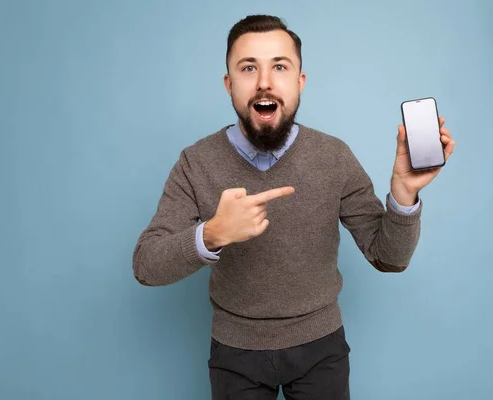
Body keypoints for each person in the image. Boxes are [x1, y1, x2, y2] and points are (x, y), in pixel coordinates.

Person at [132, 14, 455, 400]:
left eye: (280, 67)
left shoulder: (334, 157)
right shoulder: (195, 162)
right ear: (229, 84)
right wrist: (214, 233)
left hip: (322, 347)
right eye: (248, 67)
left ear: (300, 82)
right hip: (235, 351)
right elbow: (146, 265)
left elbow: (389, 258)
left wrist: (403, 194)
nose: (265, 81)